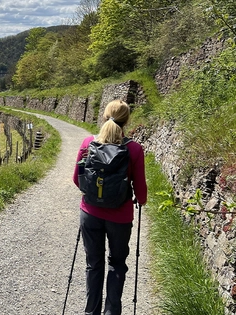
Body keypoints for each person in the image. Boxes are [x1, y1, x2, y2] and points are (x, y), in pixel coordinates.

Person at [72, 99, 147, 315]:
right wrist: (140, 200)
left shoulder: (88, 143)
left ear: (104, 116)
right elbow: (140, 189)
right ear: (126, 121)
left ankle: (91, 312)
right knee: (117, 264)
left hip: (90, 213)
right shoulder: (133, 149)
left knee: (93, 264)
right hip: (120, 218)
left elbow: (78, 180)